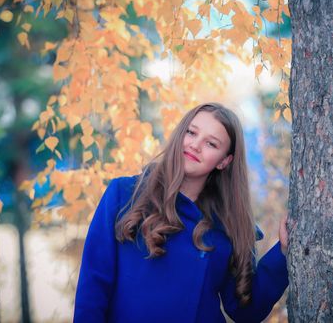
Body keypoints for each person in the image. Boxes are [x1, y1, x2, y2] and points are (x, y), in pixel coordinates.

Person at [74, 103, 289, 323]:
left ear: (224, 161)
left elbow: (246, 310)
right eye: (191, 132)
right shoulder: (123, 194)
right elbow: (93, 287)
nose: (195, 145)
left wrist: (283, 252)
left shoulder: (228, 226)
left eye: (211, 143)